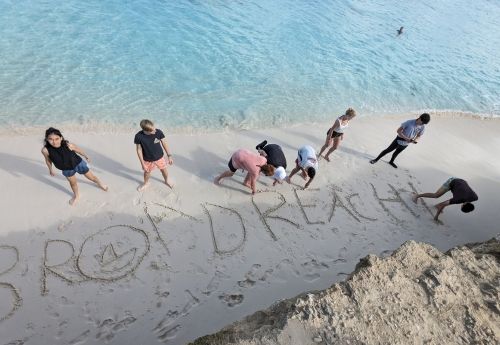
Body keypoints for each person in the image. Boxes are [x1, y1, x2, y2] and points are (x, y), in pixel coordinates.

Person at [41, 127, 108, 205]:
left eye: (57, 139)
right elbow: (48, 160)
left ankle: (100, 183)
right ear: (47, 139)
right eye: (51, 139)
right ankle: (77, 195)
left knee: (91, 177)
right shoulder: (45, 150)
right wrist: (50, 169)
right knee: (73, 183)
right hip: (66, 169)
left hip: (79, 164)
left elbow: (78, 150)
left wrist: (86, 156)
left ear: (61, 138)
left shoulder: (68, 144)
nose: (54, 142)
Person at [412, 177, 478, 221]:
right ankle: (417, 196)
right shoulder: (458, 199)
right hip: (452, 181)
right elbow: (443, 205)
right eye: (461, 206)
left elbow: (468, 192)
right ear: (463, 205)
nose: (461, 205)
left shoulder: (475, 198)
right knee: (436, 195)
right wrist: (436, 216)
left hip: (462, 181)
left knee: (449, 202)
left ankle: (437, 206)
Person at [134, 119, 174, 191]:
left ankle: (166, 180)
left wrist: (169, 155)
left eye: (154, 127)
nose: (155, 130)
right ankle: (146, 183)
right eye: (152, 130)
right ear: (146, 131)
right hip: (147, 159)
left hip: (160, 157)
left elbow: (164, 143)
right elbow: (138, 150)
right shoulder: (138, 136)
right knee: (147, 172)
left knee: (164, 170)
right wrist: (142, 163)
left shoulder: (158, 132)